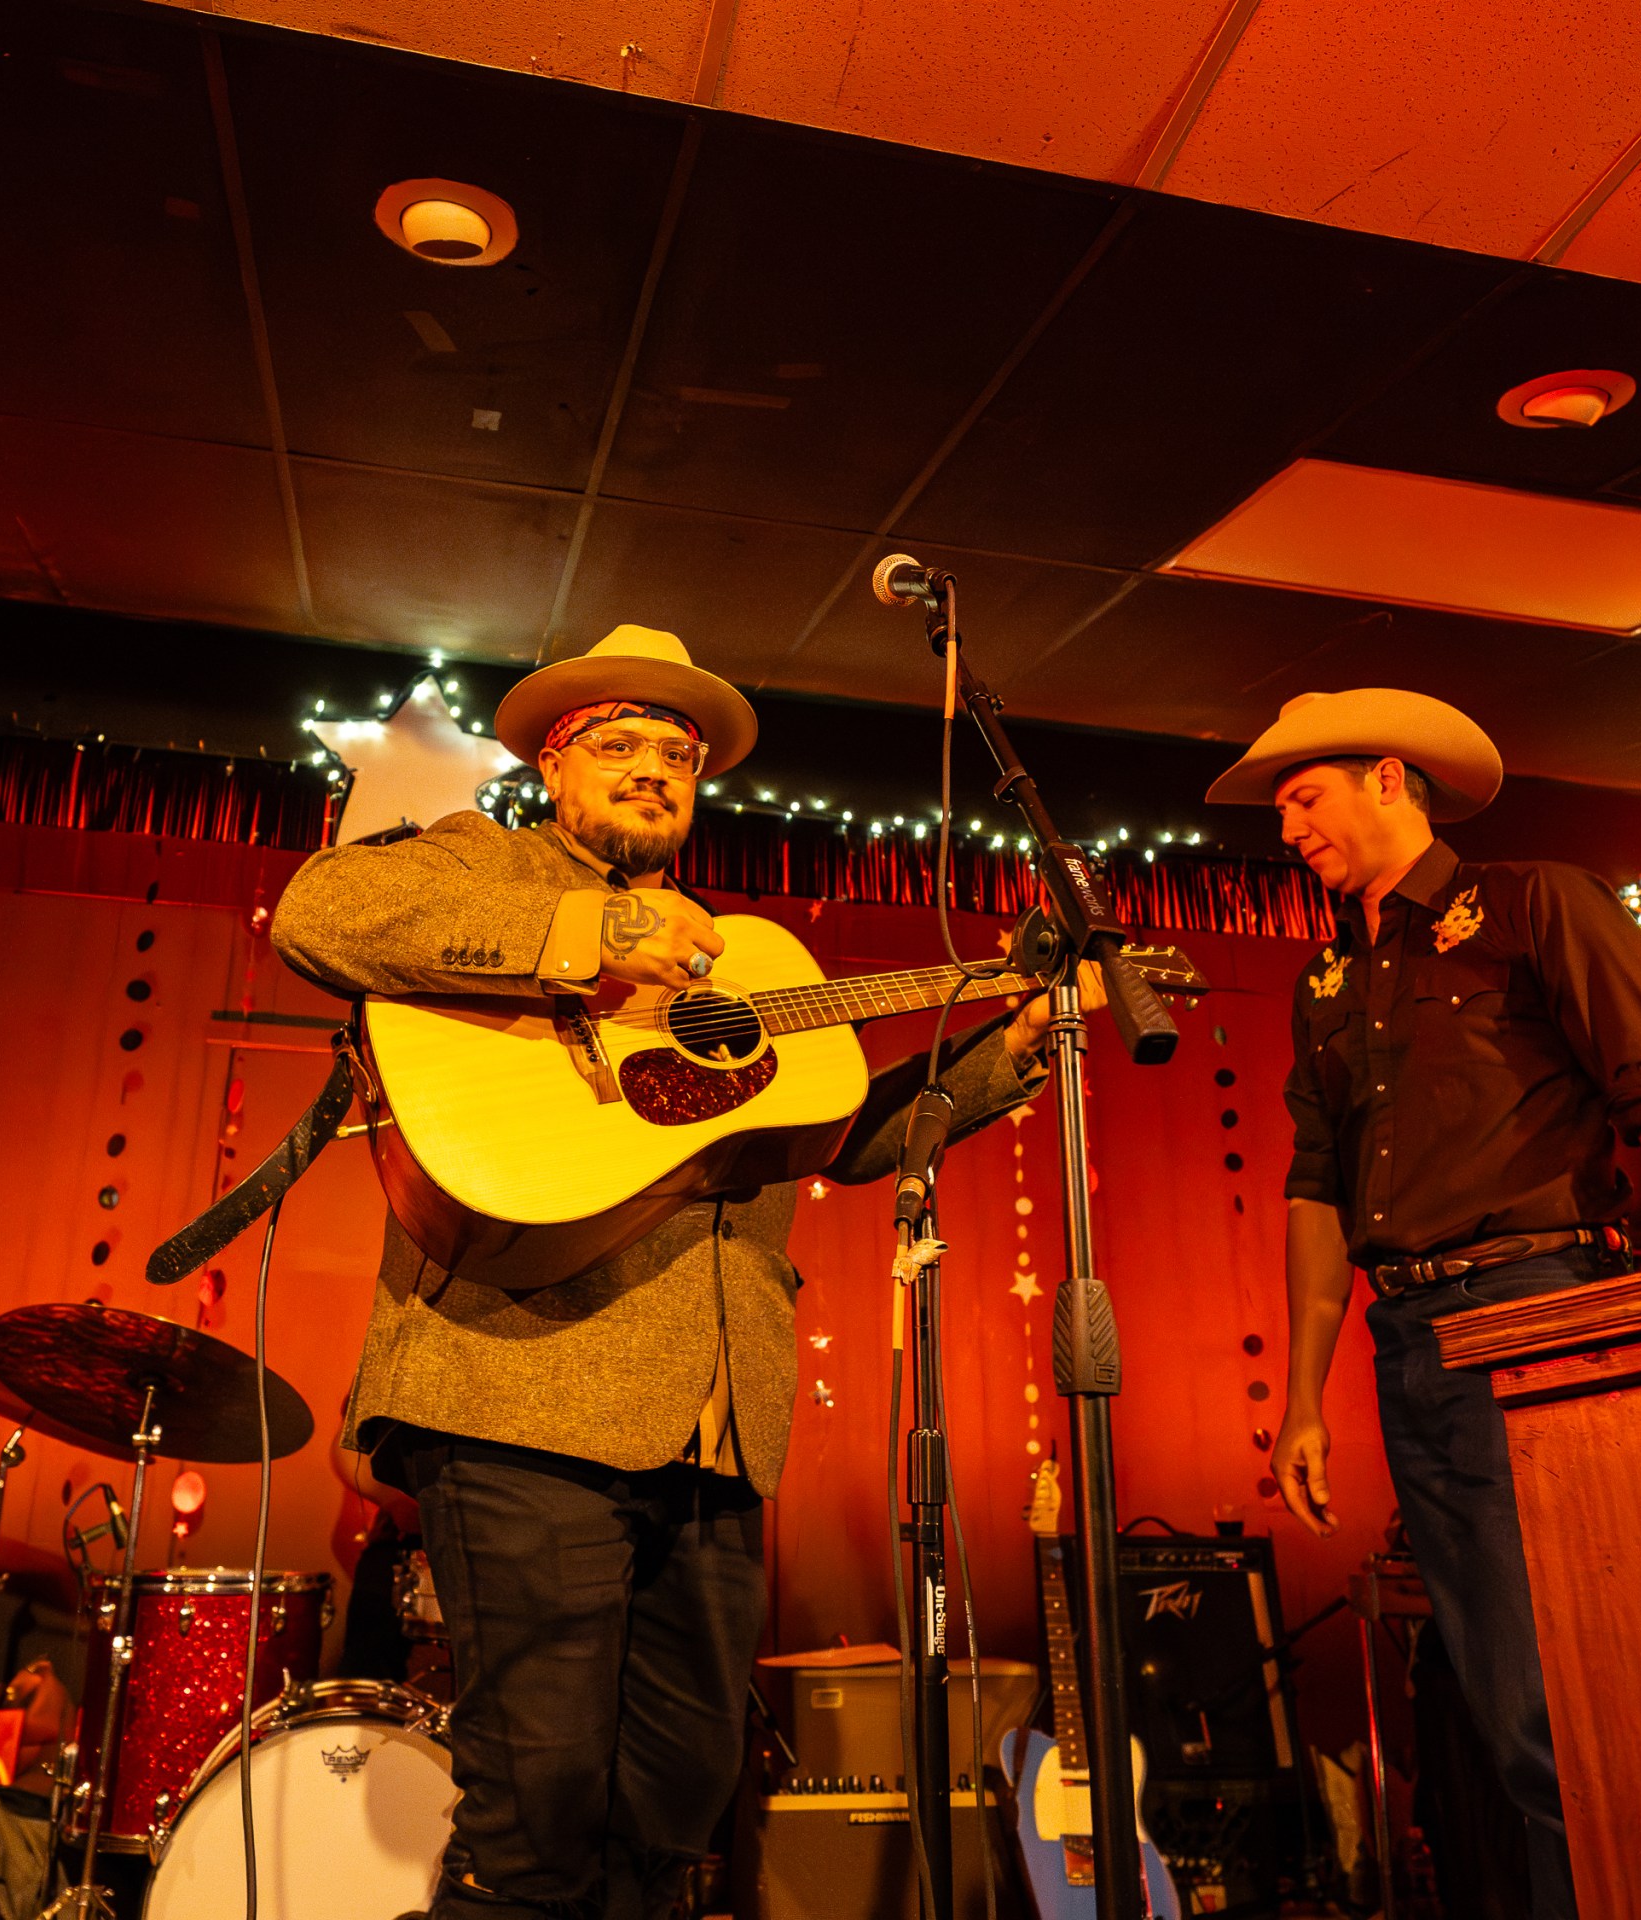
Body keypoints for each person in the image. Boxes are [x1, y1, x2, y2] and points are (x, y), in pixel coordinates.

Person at [271, 625, 1085, 1920]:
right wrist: (582, 936)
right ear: (553, 761)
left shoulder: (740, 958)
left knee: (673, 1809)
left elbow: (852, 1135)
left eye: (680, 754)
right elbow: (322, 911)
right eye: (621, 743)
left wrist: (1019, 1041)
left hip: (712, 1429)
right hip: (521, 1390)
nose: (655, 769)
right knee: (532, 1823)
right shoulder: (491, 862)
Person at [1209, 690, 1641, 1920]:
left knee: (1570, 1703)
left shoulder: (1539, 903)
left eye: (1304, 797)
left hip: (1548, 1306)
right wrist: (1301, 1402)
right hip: (1415, 1344)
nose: (1287, 829)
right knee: (1505, 1701)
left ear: (1391, 779)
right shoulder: (1327, 977)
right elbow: (1317, 1193)